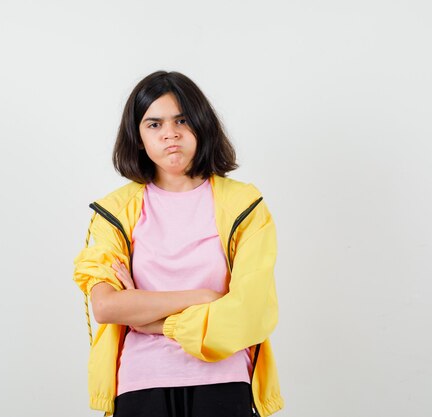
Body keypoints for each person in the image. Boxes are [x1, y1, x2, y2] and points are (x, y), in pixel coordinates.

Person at [72, 70, 283, 417]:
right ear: (138, 137)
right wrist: (204, 297)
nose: (170, 133)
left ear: (202, 125)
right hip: (141, 384)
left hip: (224, 380)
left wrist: (151, 320)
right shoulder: (116, 211)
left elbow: (250, 311)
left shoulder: (245, 206)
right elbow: (107, 308)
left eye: (181, 120)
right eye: (154, 124)